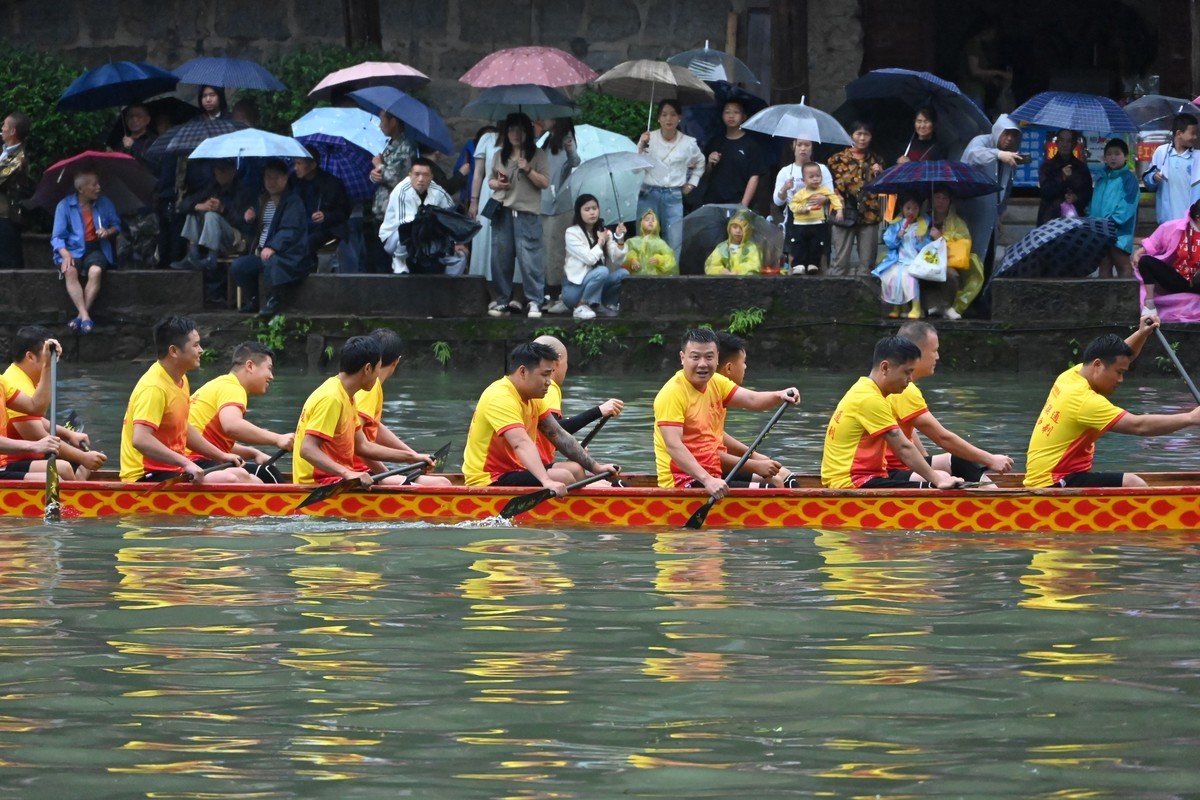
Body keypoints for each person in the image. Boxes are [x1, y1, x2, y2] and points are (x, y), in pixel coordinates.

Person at [1024, 316, 1200, 488]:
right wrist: (1190, 418)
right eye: (1119, 373)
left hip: (1051, 475)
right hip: (1053, 482)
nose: (1121, 380)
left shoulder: (1071, 376)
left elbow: (1118, 357)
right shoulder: (1084, 401)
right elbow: (1139, 426)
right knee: (1133, 483)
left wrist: (1141, 334)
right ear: (1098, 365)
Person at [653, 328, 799, 498]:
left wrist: (779, 395)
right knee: (771, 492)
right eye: (695, 357)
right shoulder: (672, 393)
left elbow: (752, 399)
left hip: (712, 470)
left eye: (709, 357)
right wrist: (708, 480)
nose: (702, 364)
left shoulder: (716, 382)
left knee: (775, 481)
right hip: (683, 480)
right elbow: (673, 446)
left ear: (716, 358)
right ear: (682, 358)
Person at [462, 341, 618, 494]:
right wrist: (547, 481)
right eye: (544, 375)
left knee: (575, 468)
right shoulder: (500, 396)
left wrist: (596, 467)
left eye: (550, 375)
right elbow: (521, 443)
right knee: (563, 476)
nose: (549, 382)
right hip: (489, 478)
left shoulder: (534, 398)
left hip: (517, 469)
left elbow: (558, 434)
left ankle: (586, 510)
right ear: (523, 372)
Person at [119, 316, 255, 484]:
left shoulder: (181, 379)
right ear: (174, 351)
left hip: (172, 470)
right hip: (145, 477)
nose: (201, 350)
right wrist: (185, 462)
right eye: (196, 345)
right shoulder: (154, 388)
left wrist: (221, 455)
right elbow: (140, 440)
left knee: (243, 475)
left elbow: (183, 427)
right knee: (231, 478)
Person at [820, 335, 963, 490]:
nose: (910, 379)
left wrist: (935, 476)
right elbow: (903, 447)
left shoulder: (864, 389)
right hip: (853, 482)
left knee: (940, 477)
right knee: (937, 485)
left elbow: (906, 441)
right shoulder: (869, 399)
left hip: (863, 478)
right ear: (885, 368)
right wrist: (937, 480)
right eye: (907, 372)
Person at [885, 321, 1013, 483]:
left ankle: (993, 498)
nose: (937, 357)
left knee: (958, 461)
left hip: (903, 464)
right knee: (953, 468)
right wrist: (990, 459)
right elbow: (942, 437)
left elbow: (909, 430)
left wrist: (926, 460)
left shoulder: (903, 386)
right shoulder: (905, 390)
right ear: (916, 353)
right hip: (889, 470)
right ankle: (996, 504)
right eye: (934, 351)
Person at [294, 335, 430, 487]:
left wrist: (412, 457)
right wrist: (348, 473)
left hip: (337, 479)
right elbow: (307, 449)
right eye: (378, 368)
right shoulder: (332, 398)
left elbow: (363, 446)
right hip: (320, 483)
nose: (379, 374)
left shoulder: (347, 396)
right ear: (367, 369)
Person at [3, 326, 105, 480]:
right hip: (10, 461)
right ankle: (77, 500)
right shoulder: (15, 381)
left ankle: (80, 494)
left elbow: (36, 410)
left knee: (80, 464)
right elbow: (35, 434)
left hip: (22, 457)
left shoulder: (4, 382)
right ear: (30, 357)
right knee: (60, 471)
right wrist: (81, 457)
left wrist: (68, 434)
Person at [350, 329, 450, 486]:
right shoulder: (369, 388)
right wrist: (384, 473)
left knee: (442, 482)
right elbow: (357, 443)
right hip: (355, 472)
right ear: (396, 361)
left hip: (364, 468)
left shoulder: (369, 385)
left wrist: (413, 456)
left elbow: (374, 426)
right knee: (442, 485)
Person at [187, 341, 295, 481]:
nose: (271, 376)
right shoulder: (233, 388)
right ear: (250, 366)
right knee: (269, 473)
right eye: (269, 368)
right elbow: (232, 426)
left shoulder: (219, 383)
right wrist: (278, 439)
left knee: (265, 471)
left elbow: (214, 441)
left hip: (196, 459)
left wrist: (253, 453)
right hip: (197, 463)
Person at [531, 334, 624, 481]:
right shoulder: (549, 388)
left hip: (535, 462)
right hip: (524, 468)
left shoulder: (531, 389)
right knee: (571, 473)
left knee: (576, 467)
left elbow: (544, 433)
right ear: (558, 360)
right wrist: (598, 411)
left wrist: (572, 446)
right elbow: (557, 429)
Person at [715, 331, 797, 488]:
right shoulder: (697, 391)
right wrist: (754, 464)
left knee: (787, 478)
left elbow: (753, 399)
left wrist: (756, 457)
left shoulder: (716, 387)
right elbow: (702, 455)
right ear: (729, 368)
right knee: (773, 483)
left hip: (714, 466)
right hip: (696, 473)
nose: (745, 367)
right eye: (743, 362)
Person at [487, 113, 550, 318]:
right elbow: (490, 180)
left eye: (520, 130)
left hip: (527, 213)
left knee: (530, 258)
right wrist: (498, 184)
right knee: (500, 258)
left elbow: (545, 183)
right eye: (512, 129)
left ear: (528, 132)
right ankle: (503, 300)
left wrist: (528, 169)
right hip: (502, 210)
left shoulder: (538, 154)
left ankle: (534, 301)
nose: (515, 134)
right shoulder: (499, 155)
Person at [230, 159, 311, 319]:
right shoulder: (262, 200)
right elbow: (253, 230)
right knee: (239, 266)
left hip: (287, 254)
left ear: (285, 178)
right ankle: (252, 300)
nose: (271, 182)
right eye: (267, 177)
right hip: (260, 251)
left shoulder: (293, 201)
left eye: (275, 178)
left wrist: (273, 247)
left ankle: (274, 301)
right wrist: (249, 220)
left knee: (273, 262)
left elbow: (290, 230)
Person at [172, 159, 256, 306]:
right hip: (212, 238)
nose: (220, 174)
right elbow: (183, 206)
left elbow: (245, 224)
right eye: (217, 170)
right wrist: (199, 205)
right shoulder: (212, 188)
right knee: (194, 213)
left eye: (224, 170)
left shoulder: (244, 191)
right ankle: (193, 255)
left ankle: (211, 259)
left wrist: (223, 209)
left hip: (236, 239)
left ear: (233, 171)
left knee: (212, 216)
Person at [51, 170, 122, 335]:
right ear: (81, 189)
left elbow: (117, 226)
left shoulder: (105, 203)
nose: (98, 188)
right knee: (70, 271)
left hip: (95, 248)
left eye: (98, 184)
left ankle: (80, 316)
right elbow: (57, 237)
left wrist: (108, 231)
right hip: (71, 250)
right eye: (94, 185)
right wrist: (66, 254)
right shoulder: (65, 206)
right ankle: (84, 317)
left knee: (96, 271)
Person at [960, 114, 1025, 282]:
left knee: (987, 258)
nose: (1009, 139)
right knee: (968, 256)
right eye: (1006, 133)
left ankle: (982, 301)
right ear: (997, 131)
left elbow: (1007, 188)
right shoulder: (982, 141)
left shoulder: (1011, 156)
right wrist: (998, 154)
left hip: (991, 215)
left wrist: (999, 214)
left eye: (1014, 135)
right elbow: (973, 155)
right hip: (971, 210)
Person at [637, 99, 705, 259]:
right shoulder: (648, 138)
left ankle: (671, 277)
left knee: (674, 240)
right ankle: (643, 276)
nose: (669, 119)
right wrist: (641, 146)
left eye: (673, 115)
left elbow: (701, 161)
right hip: (649, 193)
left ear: (679, 117)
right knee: (644, 238)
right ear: (658, 118)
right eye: (664, 115)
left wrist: (692, 183)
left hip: (673, 195)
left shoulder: (688, 142)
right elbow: (636, 169)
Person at [378, 157, 465, 275]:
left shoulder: (438, 191)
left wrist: (457, 243)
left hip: (426, 237)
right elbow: (407, 225)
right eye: (417, 174)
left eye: (425, 175)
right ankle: (399, 260)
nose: (421, 179)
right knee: (404, 233)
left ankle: (449, 286)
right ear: (410, 175)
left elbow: (451, 217)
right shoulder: (402, 191)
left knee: (460, 257)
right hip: (395, 238)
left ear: (431, 177)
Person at [0, 335, 63, 482]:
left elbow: (36, 407)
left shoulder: (2, 382)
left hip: (2, 466)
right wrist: (34, 446)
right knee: (54, 481)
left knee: (58, 475)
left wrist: (47, 365)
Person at [828, 120, 885, 275]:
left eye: (866, 134)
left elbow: (883, 188)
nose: (862, 138)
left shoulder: (876, 159)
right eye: (858, 134)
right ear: (851, 135)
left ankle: (865, 298)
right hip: (843, 212)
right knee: (840, 263)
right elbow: (828, 184)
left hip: (869, 213)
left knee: (867, 266)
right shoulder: (837, 159)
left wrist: (880, 173)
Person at [559, 194, 627, 319]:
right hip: (574, 291)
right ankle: (581, 306)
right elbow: (590, 259)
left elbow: (617, 259)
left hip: (597, 285)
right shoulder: (572, 232)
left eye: (594, 208)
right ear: (579, 213)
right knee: (602, 271)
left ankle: (607, 305)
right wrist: (601, 241)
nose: (592, 212)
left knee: (623, 274)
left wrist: (620, 237)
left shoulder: (604, 232)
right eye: (587, 209)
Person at [773, 138, 834, 272]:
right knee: (793, 256)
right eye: (799, 144)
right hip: (794, 217)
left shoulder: (822, 169)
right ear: (793, 146)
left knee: (820, 255)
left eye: (807, 145)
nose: (803, 148)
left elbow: (831, 194)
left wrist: (822, 198)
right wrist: (784, 188)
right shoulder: (785, 171)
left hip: (817, 216)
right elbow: (778, 201)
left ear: (812, 147)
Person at [370, 109, 418, 273]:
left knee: (393, 262)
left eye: (383, 121)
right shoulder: (387, 145)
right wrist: (375, 174)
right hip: (381, 210)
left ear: (394, 122)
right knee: (379, 260)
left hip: (395, 213)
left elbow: (400, 179)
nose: (380, 125)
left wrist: (379, 166)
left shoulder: (406, 147)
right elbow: (383, 175)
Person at [1133, 198, 1200, 314]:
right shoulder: (1176, 227)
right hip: (1178, 279)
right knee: (1146, 261)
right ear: (1198, 217)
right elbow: (1154, 243)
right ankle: (1149, 304)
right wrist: (1137, 253)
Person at [540, 117, 581, 299]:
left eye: (547, 115)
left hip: (558, 205)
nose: (542, 118)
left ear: (556, 118)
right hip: (545, 203)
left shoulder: (565, 138)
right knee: (546, 250)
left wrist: (571, 150)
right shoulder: (548, 140)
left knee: (556, 250)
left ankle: (556, 293)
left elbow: (574, 161)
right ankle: (550, 292)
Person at [292, 146, 351, 271]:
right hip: (301, 226)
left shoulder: (332, 184)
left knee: (308, 242)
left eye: (299, 163)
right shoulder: (294, 183)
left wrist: (326, 216)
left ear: (312, 165)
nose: (295, 168)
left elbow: (344, 212)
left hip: (326, 229)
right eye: (294, 163)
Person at [927, 186, 982, 319]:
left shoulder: (957, 223)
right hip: (925, 260)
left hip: (948, 261)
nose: (940, 201)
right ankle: (930, 305)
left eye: (944, 198)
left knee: (950, 275)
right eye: (937, 197)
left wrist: (941, 238)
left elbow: (964, 243)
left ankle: (947, 306)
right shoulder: (924, 219)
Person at [872, 194, 931, 319]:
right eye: (908, 208)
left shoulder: (922, 225)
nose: (911, 212)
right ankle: (896, 306)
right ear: (901, 208)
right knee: (892, 276)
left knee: (909, 277)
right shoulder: (897, 224)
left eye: (915, 209)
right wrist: (898, 236)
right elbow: (889, 242)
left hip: (914, 260)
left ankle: (916, 307)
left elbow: (928, 246)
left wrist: (921, 240)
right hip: (899, 259)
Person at [702, 99, 767, 208]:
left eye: (736, 112)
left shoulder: (751, 145)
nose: (731, 116)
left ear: (744, 117)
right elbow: (704, 175)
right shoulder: (715, 142)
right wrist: (709, 164)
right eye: (727, 112)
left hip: (736, 201)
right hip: (712, 202)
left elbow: (754, 176)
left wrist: (743, 205)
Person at [1091, 138, 1139, 279]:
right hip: (1100, 229)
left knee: (1122, 264)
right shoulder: (1101, 178)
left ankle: (1127, 300)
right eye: (1109, 154)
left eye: (1117, 153)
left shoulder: (1129, 179)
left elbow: (1127, 206)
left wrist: (1112, 222)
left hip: (1119, 230)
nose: (1113, 157)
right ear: (1104, 157)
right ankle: (1106, 300)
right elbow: (1095, 203)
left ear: (1125, 156)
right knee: (1104, 263)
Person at [786, 162, 843, 275]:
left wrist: (839, 211)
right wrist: (801, 209)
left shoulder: (824, 191)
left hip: (817, 222)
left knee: (816, 244)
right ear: (804, 180)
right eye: (811, 177)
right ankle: (798, 265)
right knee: (799, 244)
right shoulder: (801, 193)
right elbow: (792, 204)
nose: (815, 179)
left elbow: (834, 198)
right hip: (800, 224)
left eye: (818, 176)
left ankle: (813, 263)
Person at [1143, 113, 1200, 225]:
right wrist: (1153, 177)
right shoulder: (1161, 152)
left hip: (1192, 223)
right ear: (1179, 133)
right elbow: (1148, 181)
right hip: (1168, 222)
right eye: (1192, 133)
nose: (1195, 137)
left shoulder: (1198, 157)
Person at [467, 125, 503, 284]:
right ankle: (484, 283)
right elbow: (478, 173)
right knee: (485, 237)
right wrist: (473, 201)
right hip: (489, 194)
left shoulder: (521, 140)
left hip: (512, 195)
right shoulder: (488, 139)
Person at [1037, 129, 1093, 224]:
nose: (1065, 144)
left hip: (1074, 219)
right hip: (1051, 219)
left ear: (1075, 144)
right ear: (1057, 142)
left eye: (1069, 141)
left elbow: (1088, 191)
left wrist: (1077, 197)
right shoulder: (1047, 166)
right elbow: (1045, 191)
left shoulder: (1081, 167)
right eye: (1062, 140)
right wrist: (1061, 177)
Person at [0, 111, 32, 269]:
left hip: (7, 216)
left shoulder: (18, 158)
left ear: (13, 131)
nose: (2, 128)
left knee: (8, 263)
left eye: (4, 125)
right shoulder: (4, 152)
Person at [704, 210, 762, 275]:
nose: (738, 231)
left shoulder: (751, 248)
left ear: (747, 230)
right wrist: (722, 271)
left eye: (741, 228)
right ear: (729, 228)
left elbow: (754, 265)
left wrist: (738, 272)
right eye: (734, 227)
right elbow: (711, 265)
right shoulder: (722, 247)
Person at [622, 209, 678, 276]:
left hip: (655, 278)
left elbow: (670, 258)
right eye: (647, 220)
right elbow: (627, 254)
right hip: (637, 278)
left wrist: (660, 260)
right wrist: (632, 260)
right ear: (641, 223)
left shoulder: (660, 243)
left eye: (653, 220)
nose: (650, 222)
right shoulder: (633, 242)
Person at [113, 103, 158, 168]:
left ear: (147, 119)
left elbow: (153, 164)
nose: (134, 119)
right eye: (130, 116)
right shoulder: (122, 142)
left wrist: (133, 146)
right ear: (126, 120)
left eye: (139, 116)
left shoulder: (154, 140)